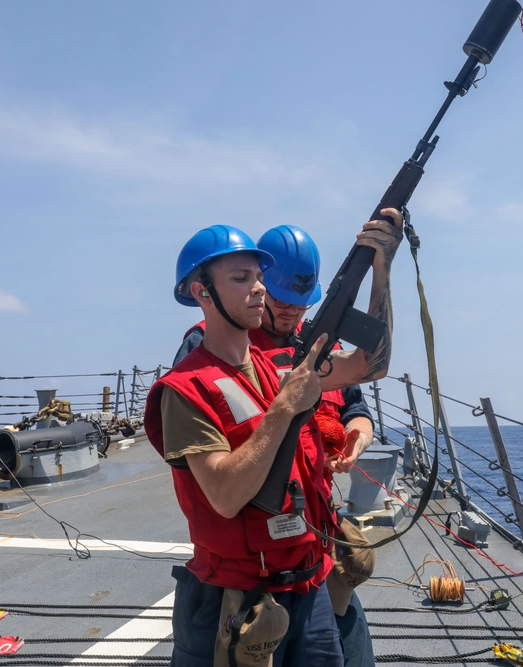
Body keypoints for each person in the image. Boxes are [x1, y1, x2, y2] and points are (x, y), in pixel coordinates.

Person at [145, 209, 402, 667]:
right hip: (239, 592)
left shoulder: (277, 364)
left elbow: (370, 365)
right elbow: (223, 496)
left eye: (259, 276)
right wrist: (285, 407)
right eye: (243, 277)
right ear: (203, 292)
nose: (260, 288)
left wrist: (382, 267)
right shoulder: (186, 386)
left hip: (307, 577)